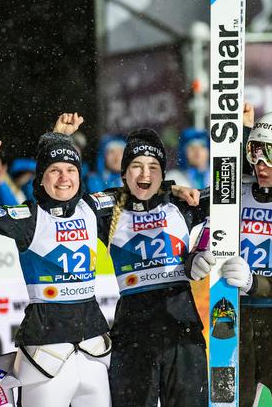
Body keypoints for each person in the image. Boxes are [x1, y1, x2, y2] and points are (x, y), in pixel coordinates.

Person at [0, 114, 115, 407]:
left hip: (93, 348)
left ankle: (5, 373)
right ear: (41, 178)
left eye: (71, 169)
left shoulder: (93, 208)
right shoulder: (28, 217)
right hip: (45, 355)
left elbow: (140, 191)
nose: (65, 177)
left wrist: (180, 191)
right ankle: (5, 375)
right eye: (55, 171)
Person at [186, 108, 272, 406]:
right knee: (225, 403)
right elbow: (186, 211)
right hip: (230, 323)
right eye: (254, 151)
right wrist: (194, 259)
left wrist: (253, 283)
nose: (261, 163)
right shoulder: (232, 193)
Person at [104, 128, 208, 407]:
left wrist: (243, 131)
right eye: (136, 167)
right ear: (123, 172)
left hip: (182, 331)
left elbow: (233, 192)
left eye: (153, 168)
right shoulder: (109, 209)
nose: (145, 175)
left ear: (163, 172)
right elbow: (64, 200)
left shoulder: (182, 204)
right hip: (133, 335)